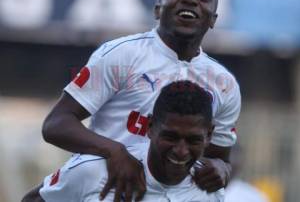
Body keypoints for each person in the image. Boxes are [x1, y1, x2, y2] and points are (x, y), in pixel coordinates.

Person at [23, 0, 241, 202]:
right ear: (158, 9)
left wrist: (224, 168)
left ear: (213, 19)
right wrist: (114, 151)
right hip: (105, 187)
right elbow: (55, 125)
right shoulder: (122, 55)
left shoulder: (224, 84)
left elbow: (219, 155)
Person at [23, 81, 225, 202]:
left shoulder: (209, 190)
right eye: (170, 137)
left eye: (193, 140)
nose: (181, 151)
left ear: (209, 135)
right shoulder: (92, 170)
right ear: (150, 127)